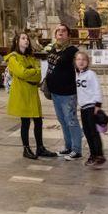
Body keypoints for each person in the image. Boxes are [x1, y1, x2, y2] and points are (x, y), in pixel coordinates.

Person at [5, 32, 56, 160]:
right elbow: (21, 72)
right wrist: (33, 72)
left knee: (38, 121)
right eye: (23, 38)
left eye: (27, 38)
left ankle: (40, 147)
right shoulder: (13, 58)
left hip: (32, 92)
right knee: (25, 122)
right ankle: (26, 149)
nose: (26, 40)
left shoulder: (30, 56)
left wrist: (32, 72)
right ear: (17, 41)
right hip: (21, 93)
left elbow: (39, 74)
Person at [44, 24, 83, 161]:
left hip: (68, 92)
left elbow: (80, 67)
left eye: (64, 31)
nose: (60, 33)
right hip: (55, 92)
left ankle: (77, 149)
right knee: (62, 121)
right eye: (58, 31)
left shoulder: (73, 50)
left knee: (71, 120)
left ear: (68, 35)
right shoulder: (53, 48)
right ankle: (68, 146)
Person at [74, 51, 106, 167]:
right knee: (87, 132)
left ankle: (98, 155)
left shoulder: (91, 74)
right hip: (83, 108)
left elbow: (97, 89)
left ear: (87, 62)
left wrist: (97, 106)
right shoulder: (77, 74)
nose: (81, 61)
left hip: (91, 107)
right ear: (75, 62)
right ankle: (94, 154)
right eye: (78, 59)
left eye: (83, 59)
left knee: (93, 132)